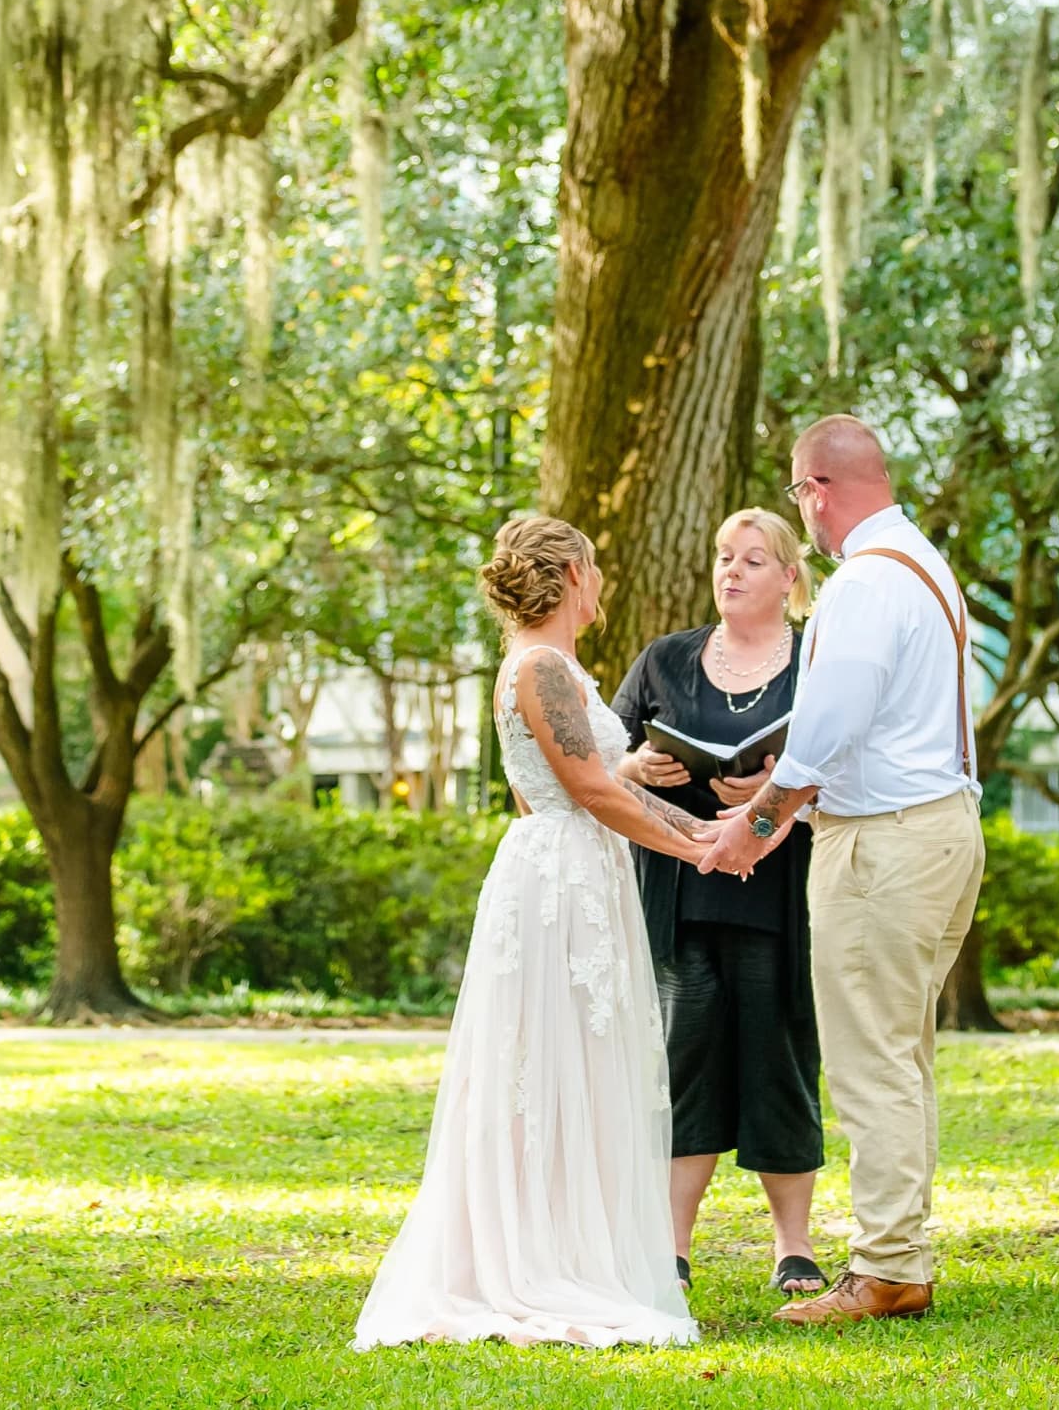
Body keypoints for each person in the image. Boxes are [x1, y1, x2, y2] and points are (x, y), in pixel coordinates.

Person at [355, 514, 706, 1352]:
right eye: (596, 566)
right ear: (572, 573)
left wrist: (698, 832)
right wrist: (701, 847)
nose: (602, 581)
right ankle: (535, 1258)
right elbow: (593, 790)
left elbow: (591, 783)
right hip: (560, 880)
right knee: (546, 1061)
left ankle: (565, 1241)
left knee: (571, 1060)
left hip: (575, 871)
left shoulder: (543, 664)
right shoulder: (540, 665)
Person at [702, 416, 983, 1328]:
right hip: (941, 828)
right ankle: (901, 1251)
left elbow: (830, 726)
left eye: (797, 493)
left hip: (883, 843)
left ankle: (888, 1266)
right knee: (902, 1051)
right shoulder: (926, 565)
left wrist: (760, 822)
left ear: (816, 489)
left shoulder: (863, 581)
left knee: (871, 1058)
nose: (802, 512)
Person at [611, 509, 825, 1299]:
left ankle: (793, 1245)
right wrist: (638, 767)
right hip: (679, 888)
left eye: (752, 559)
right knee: (685, 1056)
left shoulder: (818, 659)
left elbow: (845, 763)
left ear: (789, 577)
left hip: (779, 886)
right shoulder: (665, 659)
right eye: (724, 556)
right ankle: (671, 1245)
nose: (731, 570)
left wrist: (778, 794)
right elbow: (603, 759)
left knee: (779, 1052)